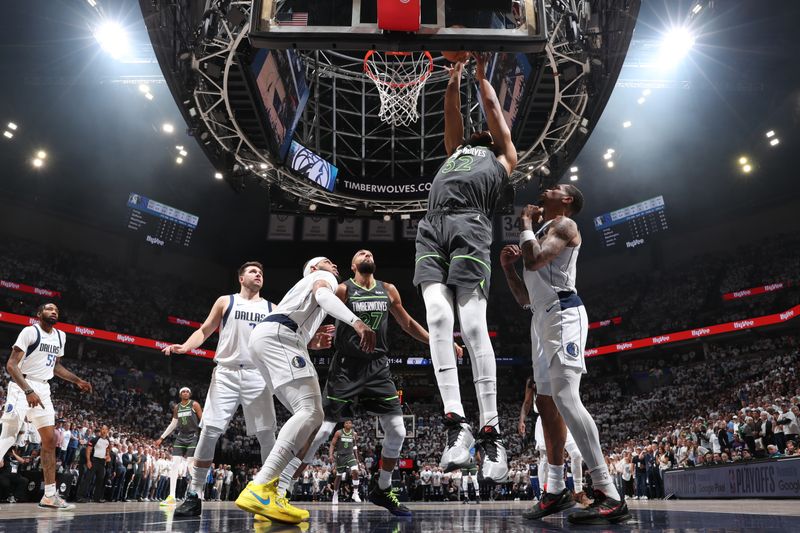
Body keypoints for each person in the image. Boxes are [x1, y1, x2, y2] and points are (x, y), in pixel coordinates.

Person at [279, 249, 458, 516]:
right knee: (322, 431)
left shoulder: (388, 289)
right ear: (353, 266)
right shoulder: (341, 289)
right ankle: (282, 487)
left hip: (377, 368)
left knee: (397, 430)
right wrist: (313, 338)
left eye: (370, 252)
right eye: (361, 253)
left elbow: (407, 323)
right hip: (346, 368)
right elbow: (314, 312)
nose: (367, 253)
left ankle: (382, 488)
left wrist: (439, 341)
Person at [412, 53, 517, 482]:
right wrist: (452, 76)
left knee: (472, 327)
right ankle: (458, 427)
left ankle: (492, 433)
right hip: (432, 224)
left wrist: (479, 75)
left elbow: (492, 111)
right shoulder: (456, 150)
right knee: (437, 317)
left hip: (471, 224)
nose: (477, 132)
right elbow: (450, 112)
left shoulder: (503, 156)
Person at [499, 186, 630, 525]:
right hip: (540, 317)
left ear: (567, 200)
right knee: (546, 402)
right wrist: (507, 269)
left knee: (566, 397)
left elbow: (536, 259)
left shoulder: (564, 227)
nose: (546, 190)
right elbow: (523, 298)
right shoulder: (541, 232)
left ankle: (609, 493)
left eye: (554, 189)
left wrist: (525, 221)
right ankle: (555, 490)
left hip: (563, 313)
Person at [164, 262, 333, 518]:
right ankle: (193, 494)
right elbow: (204, 330)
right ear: (241, 278)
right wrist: (186, 347)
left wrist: (312, 341)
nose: (259, 275)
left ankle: (266, 494)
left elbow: (286, 336)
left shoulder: (272, 308)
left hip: (257, 374)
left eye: (262, 273)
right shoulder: (226, 301)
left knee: (268, 435)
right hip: (227, 371)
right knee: (209, 431)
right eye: (253, 272)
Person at [235, 257, 376, 524]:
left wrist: (309, 341)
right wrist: (357, 322)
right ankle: (260, 487)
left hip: (268, 338)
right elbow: (323, 293)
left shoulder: (300, 288)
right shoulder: (323, 279)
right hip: (280, 336)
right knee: (311, 412)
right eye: (327, 261)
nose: (334, 265)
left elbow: (295, 317)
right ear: (313, 268)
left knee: (309, 424)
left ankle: (274, 495)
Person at [0, 302, 92, 509]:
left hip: (43, 388)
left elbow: (55, 365)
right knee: (9, 435)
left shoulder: (61, 336)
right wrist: (28, 391)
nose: (54, 312)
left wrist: (77, 380)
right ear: (39, 313)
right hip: (22, 384)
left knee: (49, 442)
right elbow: (11, 365)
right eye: (49, 309)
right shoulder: (29, 332)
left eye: (57, 310)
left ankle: (50, 495)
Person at [518, 376, 591, 507]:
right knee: (545, 459)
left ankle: (578, 491)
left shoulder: (558, 370)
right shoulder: (532, 379)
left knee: (577, 454)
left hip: (563, 417)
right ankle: (542, 493)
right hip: (545, 419)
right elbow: (527, 402)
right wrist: (522, 420)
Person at [154, 386, 202, 506]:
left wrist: (205, 437)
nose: (185, 393)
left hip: (193, 436)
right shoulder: (177, 407)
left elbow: (203, 421)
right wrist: (162, 437)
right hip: (181, 437)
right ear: (180, 395)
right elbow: (173, 424)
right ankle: (172, 496)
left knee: (190, 466)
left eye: (187, 391)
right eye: (183, 392)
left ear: (190, 394)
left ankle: (197, 493)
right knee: (174, 464)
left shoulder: (194, 405)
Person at [328, 420, 361, 504]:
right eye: (347, 423)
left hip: (350, 455)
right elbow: (332, 444)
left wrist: (357, 458)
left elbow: (355, 447)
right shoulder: (338, 433)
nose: (348, 424)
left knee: (355, 471)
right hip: (340, 456)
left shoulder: (354, 434)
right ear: (344, 424)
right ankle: (335, 494)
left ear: (352, 424)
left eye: (350, 423)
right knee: (339, 476)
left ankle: (355, 493)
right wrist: (331, 455)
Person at [77, 425, 111, 503]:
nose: (104, 431)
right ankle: (80, 497)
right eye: (102, 429)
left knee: (100, 480)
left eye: (105, 429)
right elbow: (88, 450)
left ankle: (97, 498)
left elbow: (108, 449)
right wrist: (88, 461)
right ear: (101, 430)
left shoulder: (107, 441)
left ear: (107, 431)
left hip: (102, 462)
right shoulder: (95, 439)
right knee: (87, 479)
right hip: (94, 461)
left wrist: (108, 455)